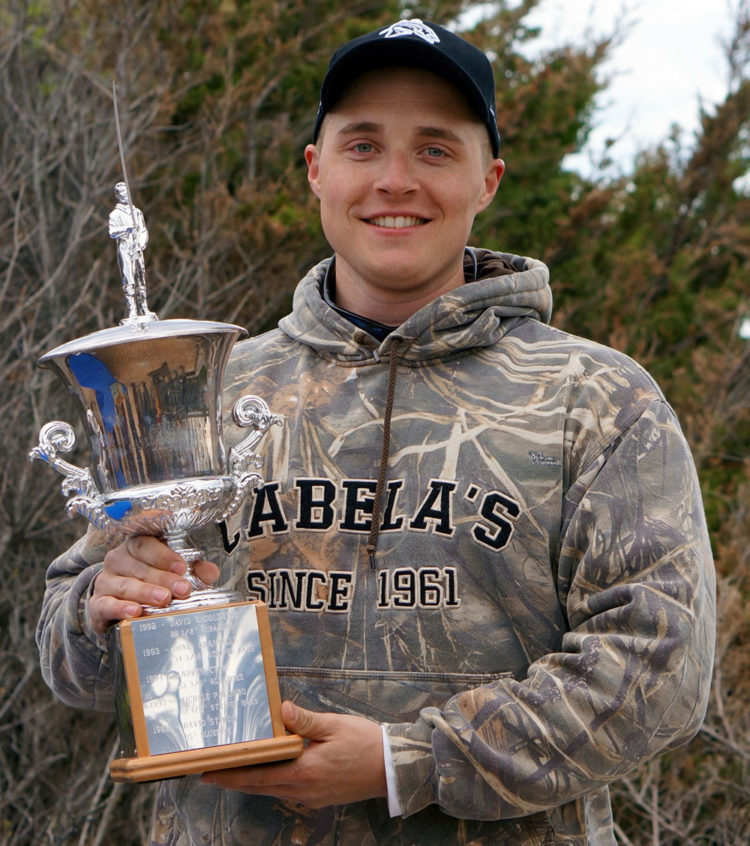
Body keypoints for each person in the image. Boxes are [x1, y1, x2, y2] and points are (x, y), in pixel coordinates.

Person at [37, 18, 716, 845]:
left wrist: (411, 761)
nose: (396, 180)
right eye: (363, 146)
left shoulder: (597, 399)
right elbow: (69, 658)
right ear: (316, 171)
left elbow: (663, 665)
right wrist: (102, 612)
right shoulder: (205, 387)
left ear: (488, 179)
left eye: (435, 149)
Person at [108, 181, 151, 321]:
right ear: (117, 196)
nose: (125, 195)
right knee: (129, 280)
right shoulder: (115, 214)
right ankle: (132, 310)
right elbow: (112, 232)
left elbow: (143, 230)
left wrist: (140, 243)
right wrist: (126, 229)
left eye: (127, 192)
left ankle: (144, 307)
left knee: (141, 278)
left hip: (136, 248)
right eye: (122, 193)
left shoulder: (136, 212)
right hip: (125, 248)